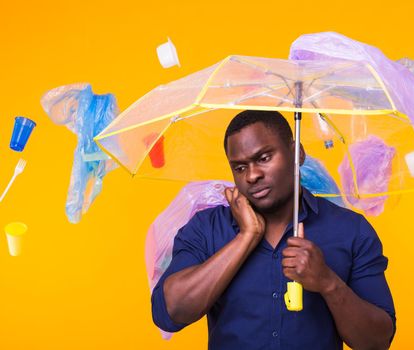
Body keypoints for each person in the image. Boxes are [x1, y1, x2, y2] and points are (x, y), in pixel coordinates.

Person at [151, 110, 396, 349]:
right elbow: (169, 313)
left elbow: (377, 342)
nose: (252, 175)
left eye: (264, 158)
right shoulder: (207, 228)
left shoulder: (350, 230)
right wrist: (246, 237)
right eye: (240, 167)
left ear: (296, 152)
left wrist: (327, 282)